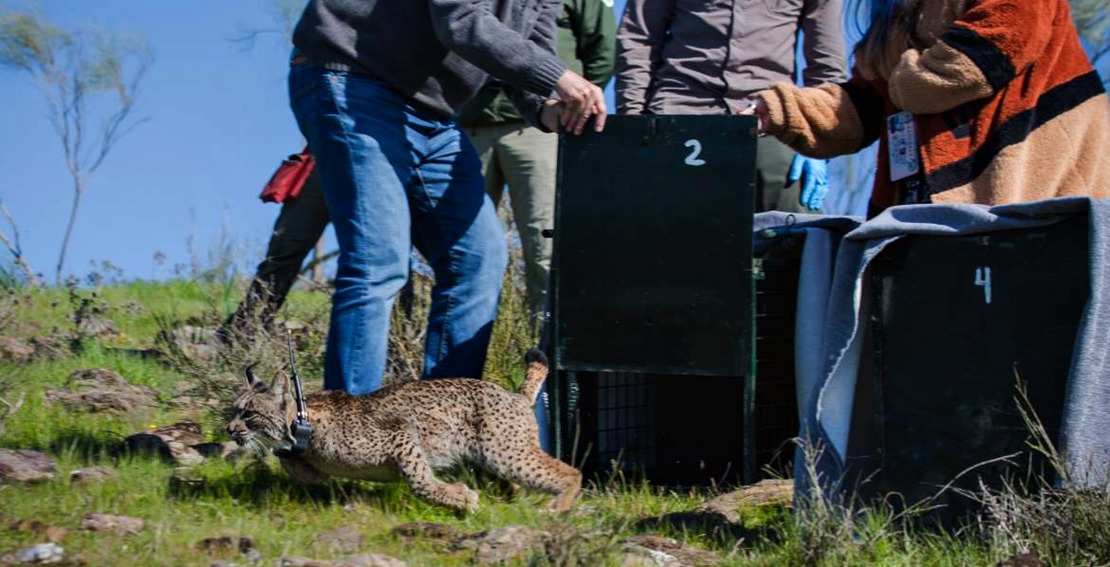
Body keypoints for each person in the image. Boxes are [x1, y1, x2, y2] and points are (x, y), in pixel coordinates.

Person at [287, 0, 608, 395]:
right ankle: (347, 441)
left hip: (432, 113)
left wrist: (547, 108)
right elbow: (460, 19)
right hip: (354, 78)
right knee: (378, 260)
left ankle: (441, 430)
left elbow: (530, 53)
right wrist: (562, 77)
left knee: (479, 259)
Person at [746, 0, 1110, 215]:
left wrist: (896, 82)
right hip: (932, 211)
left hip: (1039, 196)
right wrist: (781, 109)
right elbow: (864, 102)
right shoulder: (896, 17)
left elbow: (975, 60)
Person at [457, 0, 616, 322]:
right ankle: (468, 361)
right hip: (467, 123)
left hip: (539, 126)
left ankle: (542, 351)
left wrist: (572, 105)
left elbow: (602, 50)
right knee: (463, 250)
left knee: (546, 245)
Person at [614, 0, 847, 212]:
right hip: (680, 110)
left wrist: (819, 136)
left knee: (796, 220)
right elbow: (638, 38)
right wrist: (635, 124)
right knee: (657, 225)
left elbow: (827, 63)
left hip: (769, 119)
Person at [220, 170, 328, 341]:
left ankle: (376, 350)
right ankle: (242, 332)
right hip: (324, 164)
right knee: (282, 251)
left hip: (373, 164)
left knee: (369, 264)